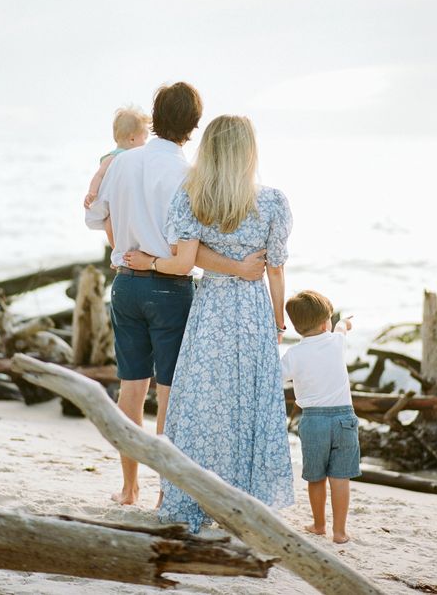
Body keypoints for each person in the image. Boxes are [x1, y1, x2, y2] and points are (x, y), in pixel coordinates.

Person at [85, 86, 267, 506]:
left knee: (130, 388)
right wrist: (239, 267)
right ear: (193, 127)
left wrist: (123, 243)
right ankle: (165, 490)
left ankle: (129, 486)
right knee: (168, 392)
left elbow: (95, 216)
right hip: (170, 289)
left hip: (125, 284)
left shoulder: (122, 161)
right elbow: (191, 251)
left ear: (154, 116)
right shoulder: (190, 175)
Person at [124, 114, 294, 532]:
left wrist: (150, 262)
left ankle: (195, 495)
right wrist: (276, 323)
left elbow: (187, 260)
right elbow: (275, 270)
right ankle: (245, 505)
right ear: (248, 151)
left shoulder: (194, 197)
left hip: (211, 310)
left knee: (202, 406)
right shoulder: (272, 201)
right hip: (252, 313)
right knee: (249, 407)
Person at [281, 290, 361, 544]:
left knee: (316, 477)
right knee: (340, 477)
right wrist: (344, 322)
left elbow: (274, 378)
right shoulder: (337, 342)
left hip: (313, 422)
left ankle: (318, 525)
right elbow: (342, 329)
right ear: (326, 323)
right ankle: (340, 532)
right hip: (344, 419)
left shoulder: (293, 354)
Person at [84, 106, 150, 247]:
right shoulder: (113, 158)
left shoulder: (132, 158)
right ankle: (117, 252)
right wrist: (92, 192)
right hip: (116, 203)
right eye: (144, 139)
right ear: (132, 139)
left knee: (118, 226)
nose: (145, 143)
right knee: (110, 224)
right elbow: (98, 176)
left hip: (124, 202)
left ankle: (120, 252)